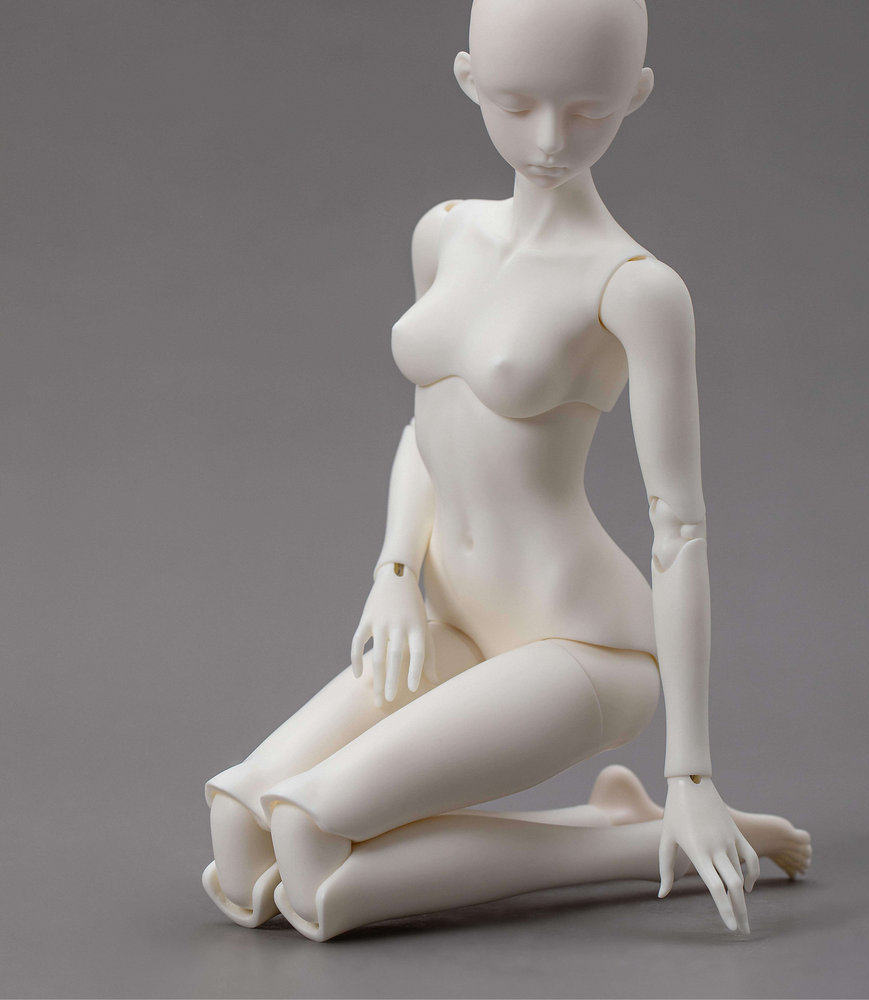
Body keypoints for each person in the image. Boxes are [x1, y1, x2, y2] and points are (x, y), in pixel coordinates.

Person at [202, 0, 810, 941]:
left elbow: (680, 529)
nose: (550, 139)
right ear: (468, 79)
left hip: (581, 647)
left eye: (588, 109)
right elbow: (429, 428)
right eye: (517, 103)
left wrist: (691, 773)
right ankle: (613, 822)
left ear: (636, 94)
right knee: (240, 835)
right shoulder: (444, 234)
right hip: (454, 619)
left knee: (311, 847)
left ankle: (628, 841)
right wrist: (395, 571)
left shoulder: (634, 287)